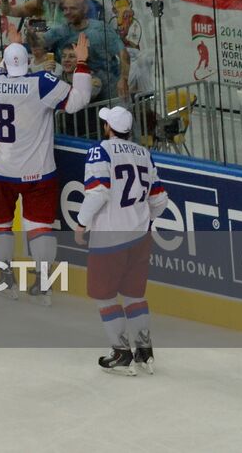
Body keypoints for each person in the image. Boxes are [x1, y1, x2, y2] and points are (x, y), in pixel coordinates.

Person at [0, 31, 91, 302]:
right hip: (37, 171)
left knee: (0, 224)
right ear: (28, 60)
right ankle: (43, 283)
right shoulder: (41, 82)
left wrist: (12, 45)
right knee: (39, 225)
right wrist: (82, 63)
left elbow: (2, 69)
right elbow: (79, 100)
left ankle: (6, 276)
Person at [75, 105, 168, 375]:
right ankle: (144, 349)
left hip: (110, 237)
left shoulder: (100, 150)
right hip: (139, 237)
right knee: (134, 295)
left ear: (108, 128)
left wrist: (82, 223)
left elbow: (97, 192)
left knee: (104, 297)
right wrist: (145, 221)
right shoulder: (144, 154)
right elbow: (160, 200)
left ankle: (121, 351)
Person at [41, 0, 125, 95]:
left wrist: (123, 79)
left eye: (72, 8)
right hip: (80, 95)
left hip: (110, 92)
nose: (67, 12)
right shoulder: (60, 32)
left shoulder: (100, 29)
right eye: (65, 9)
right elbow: (37, 44)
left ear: (85, 9)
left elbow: (123, 54)